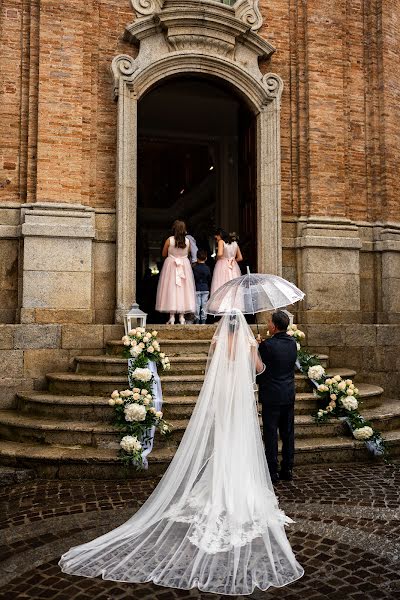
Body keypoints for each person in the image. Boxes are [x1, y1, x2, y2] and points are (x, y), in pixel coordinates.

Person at [59, 310, 304, 595]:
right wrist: (253, 348)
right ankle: (241, 479)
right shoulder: (253, 345)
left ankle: (218, 477)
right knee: (242, 434)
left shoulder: (217, 342)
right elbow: (259, 369)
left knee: (224, 434)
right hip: (242, 396)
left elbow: (212, 366)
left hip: (222, 393)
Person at [257, 310, 297, 484]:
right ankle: (287, 468)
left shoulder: (267, 346)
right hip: (288, 393)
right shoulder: (292, 343)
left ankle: (272, 470)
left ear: (274, 326)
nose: (267, 324)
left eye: (269, 322)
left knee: (271, 433)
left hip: (272, 395)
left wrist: (259, 346)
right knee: (288, 433)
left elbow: (261, 370)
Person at [155, 220, 196, 325]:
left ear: (174, 229)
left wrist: (173, 254)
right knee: (183, 290)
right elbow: (188, 253)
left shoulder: (169, 240)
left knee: (171, 289)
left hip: (171, 266)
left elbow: (164, 253)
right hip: (184, 266)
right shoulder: (187, 241)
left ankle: (172, 317)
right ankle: (182, 317)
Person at [210, 228, 243, 296]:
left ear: (220, 235)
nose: (216, 238)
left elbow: (220, 254)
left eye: (216, 236)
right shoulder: (235, 243)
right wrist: (231, 261)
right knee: (233, 284)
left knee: (221, 283)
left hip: (222, 264)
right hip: (233, 266)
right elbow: (240, 258)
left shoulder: (221, 241)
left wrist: (217, 258)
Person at [192, 249, 211, 324]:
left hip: (197, 288)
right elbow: (209, 278)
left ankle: (196, 320)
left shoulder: (194, 268)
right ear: (206, 258)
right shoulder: (207, 268)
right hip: (205, 288)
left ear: (197, 258)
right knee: (204, 305)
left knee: (197, 305)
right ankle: (203, 320)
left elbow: (192, 278)